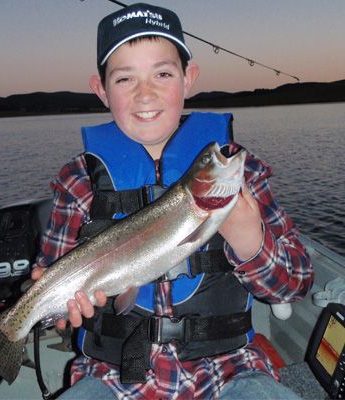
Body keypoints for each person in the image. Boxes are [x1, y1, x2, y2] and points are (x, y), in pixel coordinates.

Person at [32, 3, 313, 399]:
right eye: (125, 78)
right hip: (112, 375)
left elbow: (296, 285)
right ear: (101, 90)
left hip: (229, 369)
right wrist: (62, 311)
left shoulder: (240, 175)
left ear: (188, 79)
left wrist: (251, 241)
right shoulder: (77, 181)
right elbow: (55, 290)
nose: (145, 93)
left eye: (162, 74)